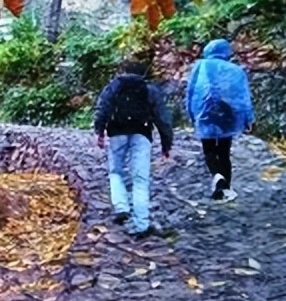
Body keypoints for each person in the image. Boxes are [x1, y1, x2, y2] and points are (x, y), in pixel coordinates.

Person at [94, 60, 173, 239]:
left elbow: (102, 108)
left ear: (123, 71)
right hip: (142, 134)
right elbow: (162, 118)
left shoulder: (113, 87)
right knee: (140, 179)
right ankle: (141, 223)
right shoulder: (149, 89)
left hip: (117, 133)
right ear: (142, 73)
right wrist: (166, 144)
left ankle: (121, 207)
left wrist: (99, 131)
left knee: (115, 171)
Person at [186, 38, 254, 201]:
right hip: (228, 114)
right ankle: (226, 188)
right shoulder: (236, 71)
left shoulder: (200, 66)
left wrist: (190, 113)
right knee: (224, 151)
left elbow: (190, 91)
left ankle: (217, 176)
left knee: (209, 149)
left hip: (205, 112)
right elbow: (243, 97)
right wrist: (249, 118)